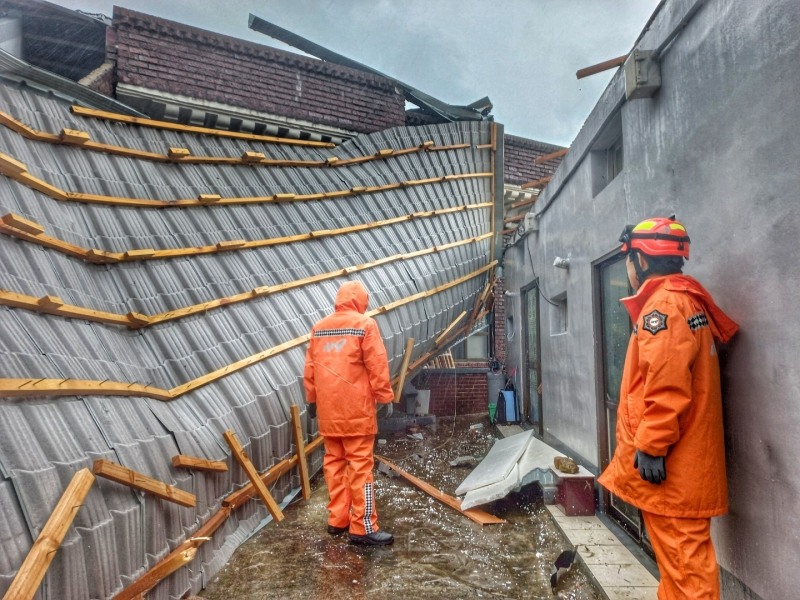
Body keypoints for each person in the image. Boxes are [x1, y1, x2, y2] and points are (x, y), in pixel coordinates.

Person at [598, 217, 739, 599]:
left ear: (640, 260)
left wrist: (651, 446)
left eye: (627, 259)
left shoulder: (663, 308)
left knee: (687, 576)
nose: (627, 268)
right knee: (678, 573)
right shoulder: (686, 302)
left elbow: (666, 385)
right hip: (683, 469)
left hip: (672, 473)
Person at [303, 280, 395, 546]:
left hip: (329, 413)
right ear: (362, 301)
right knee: (360, 468)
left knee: (334, 464)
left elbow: (310, 368)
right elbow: (376, 364)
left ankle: (337, 520)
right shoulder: (365, 325)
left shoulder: (318, 328)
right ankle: (363, 527)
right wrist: (385, 397)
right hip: (357, 412)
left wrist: (312, 400)